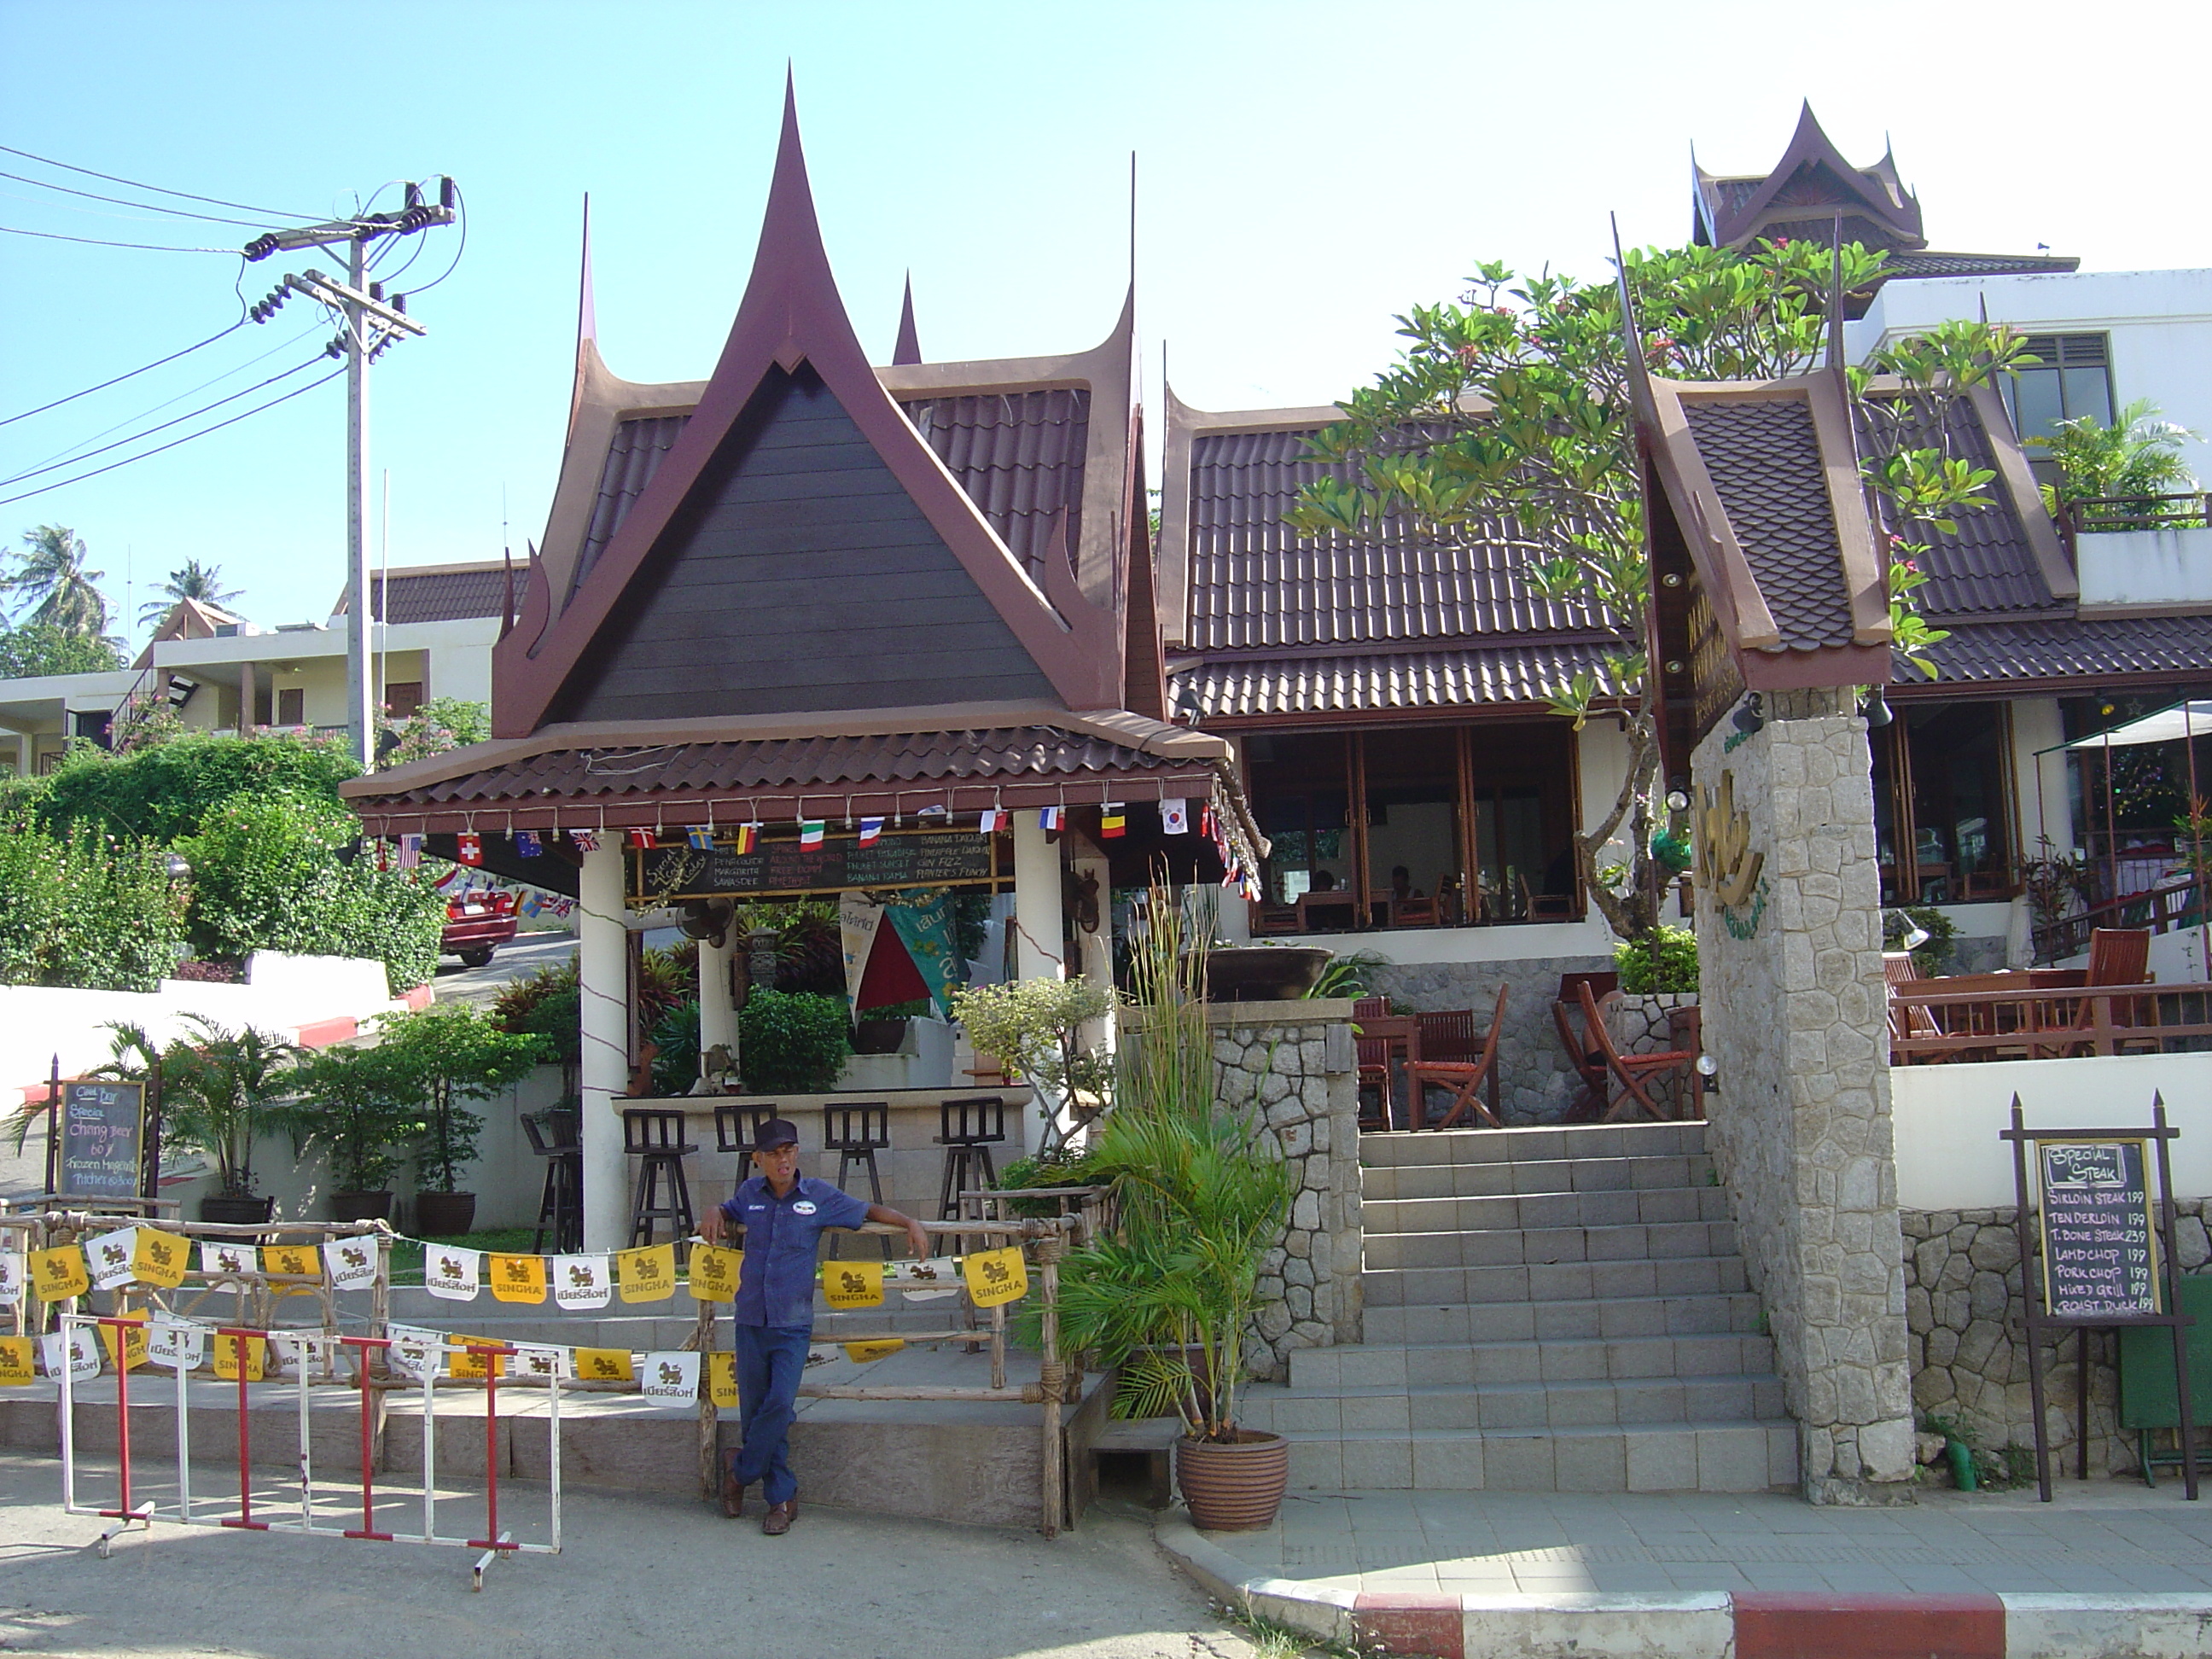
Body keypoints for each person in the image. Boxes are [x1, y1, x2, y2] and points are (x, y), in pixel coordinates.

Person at [700, 1117, 930, 1534]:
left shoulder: (818, 1197)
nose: (782, 1159)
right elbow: (727, 1210)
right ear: (759, 1159)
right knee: (754, 1413)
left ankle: (739, 1471)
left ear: (796, 1154)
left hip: (792, 1324)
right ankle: (780, 1501)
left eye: (788, 1151)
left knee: (779, 1406)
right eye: (773, 1153)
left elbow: (868, 1210)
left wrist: (910, 1223)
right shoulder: (750, 1193)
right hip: (751, 1319)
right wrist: (712, 1210)